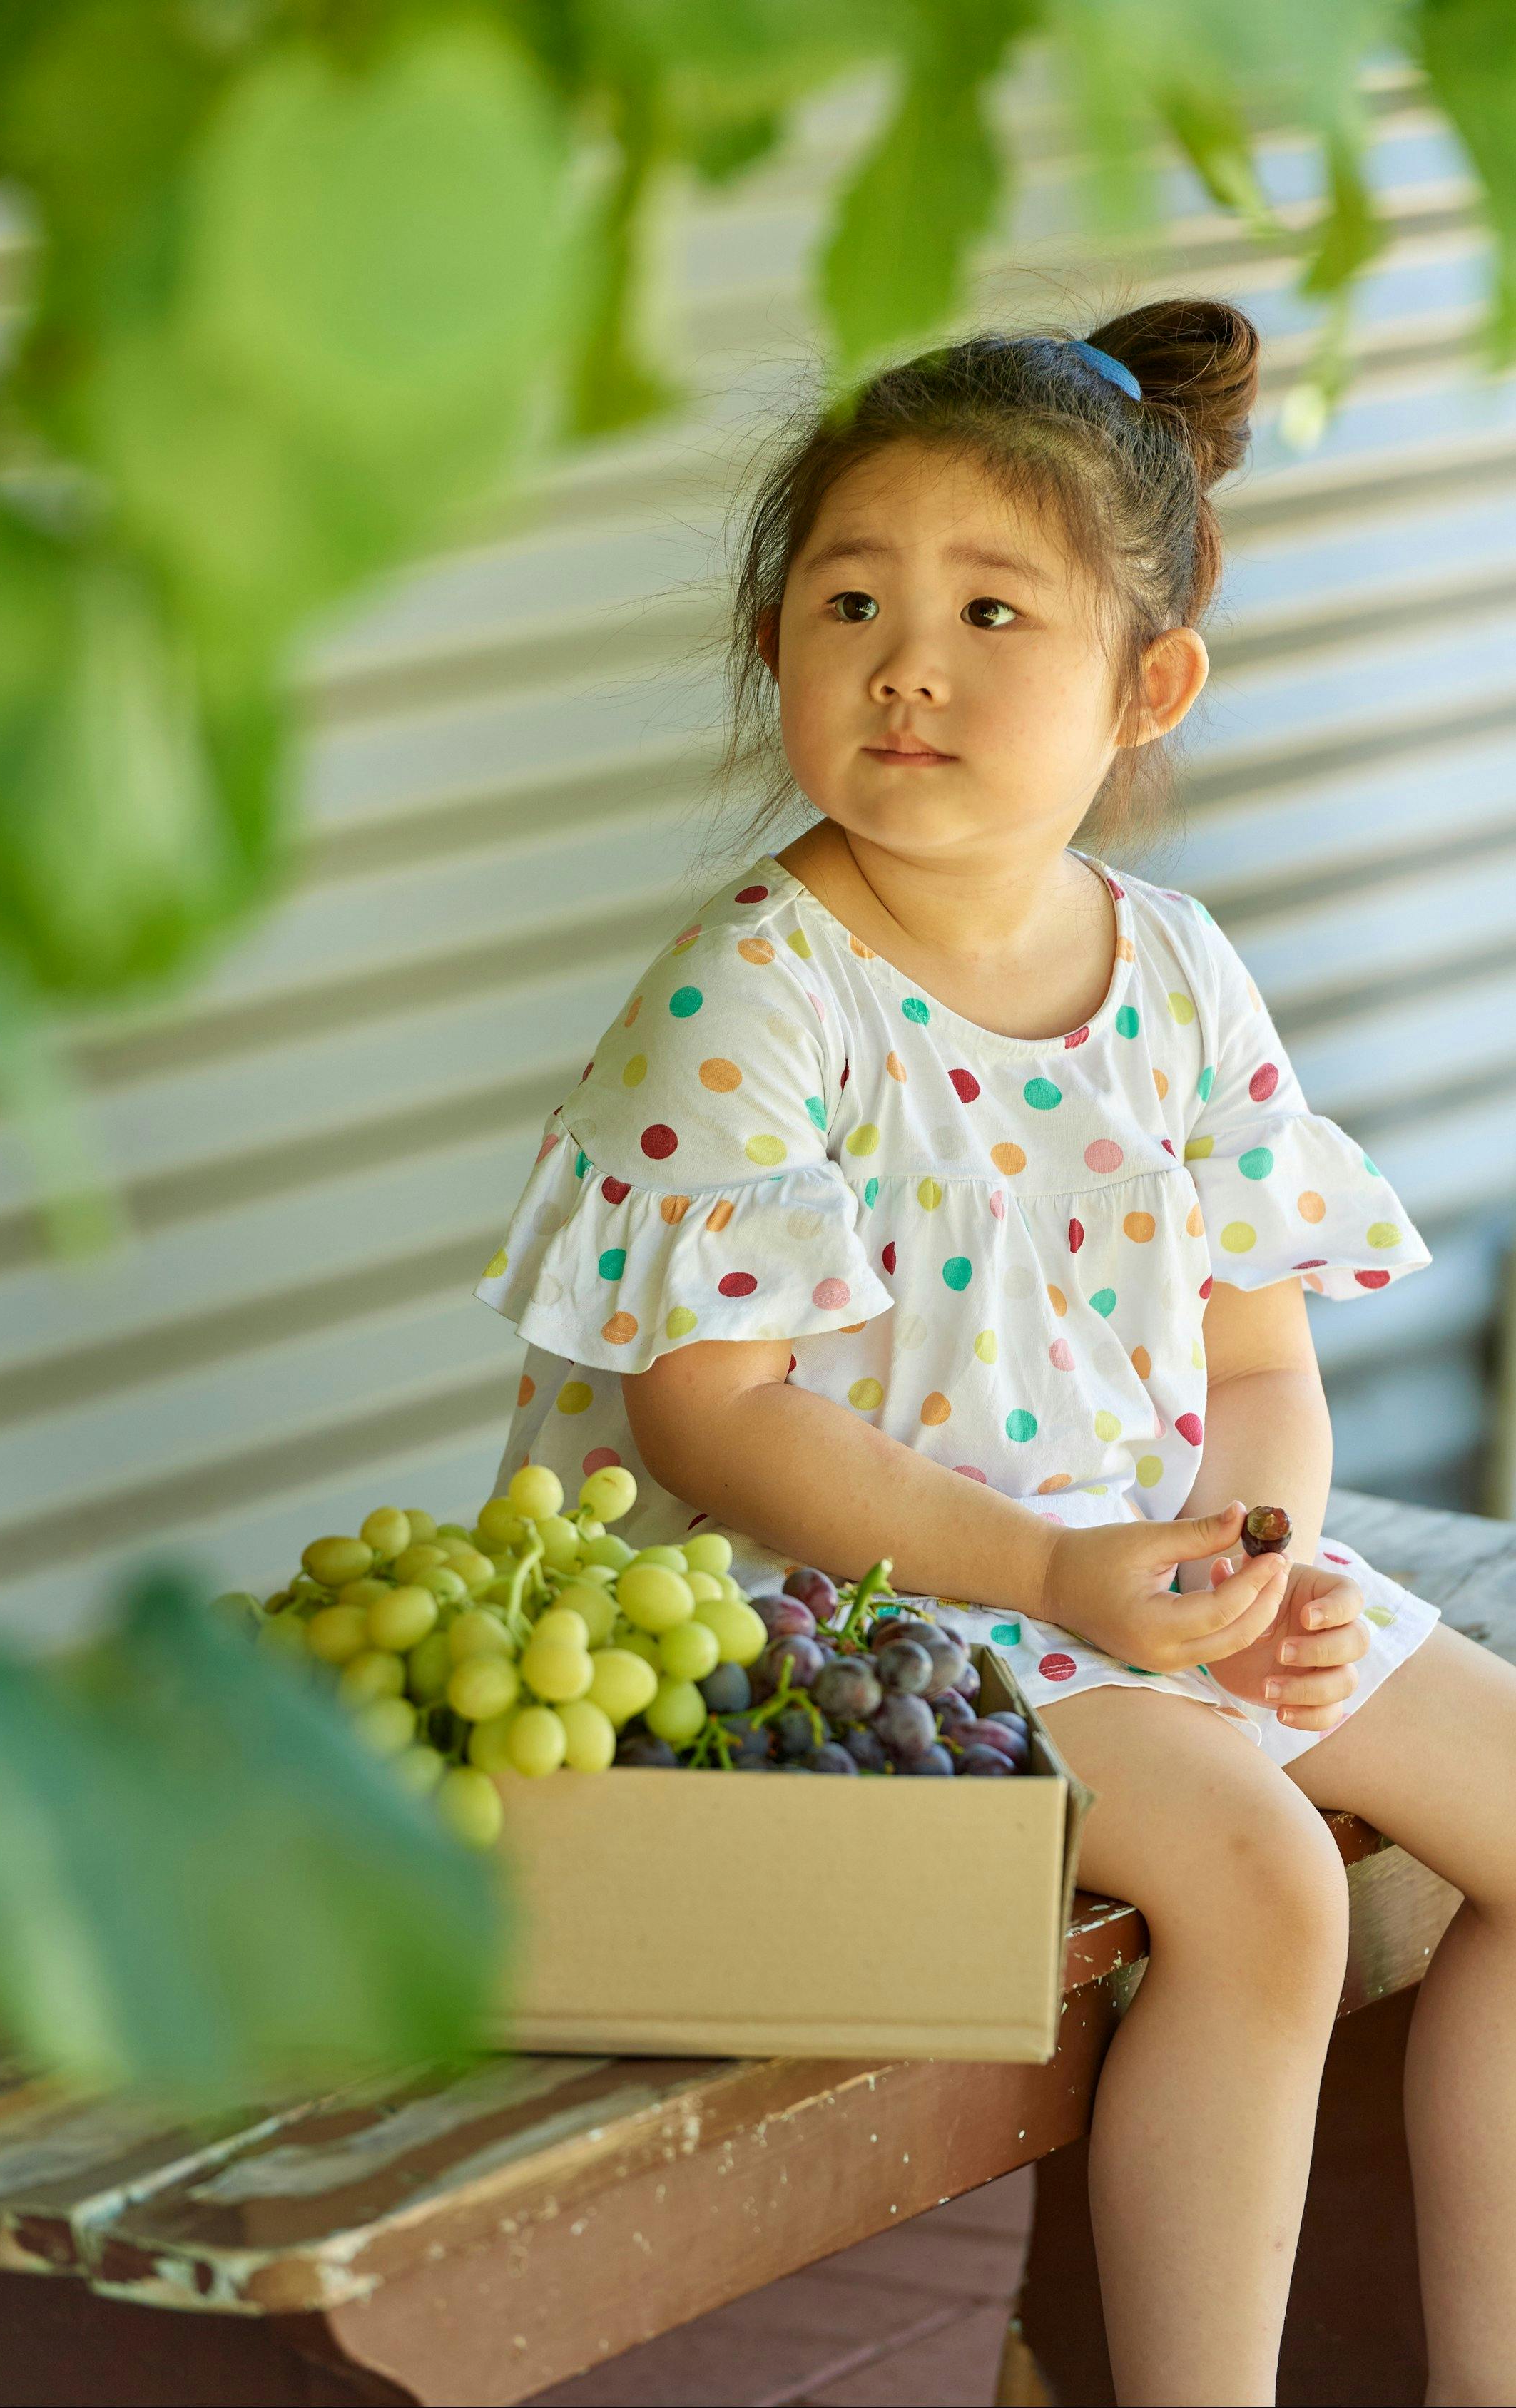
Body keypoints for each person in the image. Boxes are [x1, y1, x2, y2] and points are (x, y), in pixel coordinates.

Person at [474, 300, 1516, 2405]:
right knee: (1260, 1876)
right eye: (846, 598)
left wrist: (1260, 1564)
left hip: (1137, 1582)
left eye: (986, 608)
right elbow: (719, 1418)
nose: (905, 661)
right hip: (853, 1620)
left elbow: (1253, 1365)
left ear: (1148, 687)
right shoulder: (757, 999)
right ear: (774, 646)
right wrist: (1061, 1581)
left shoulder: (1179, 972)